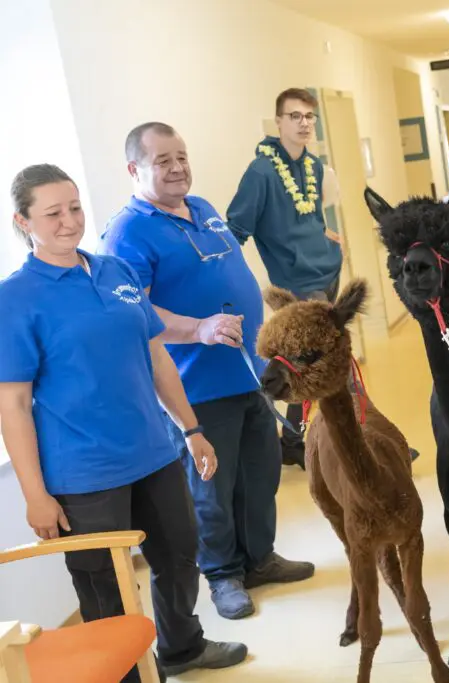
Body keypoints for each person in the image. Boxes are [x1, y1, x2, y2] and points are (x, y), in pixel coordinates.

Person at [0, 164, 247, 680]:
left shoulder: (116, 272)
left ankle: (182, 648)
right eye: (53, 213)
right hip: (83, 473)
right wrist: (34, 495)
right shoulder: (15, 298)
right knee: (105, 591)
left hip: (155, 452)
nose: (69, 221)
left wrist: (191, 428)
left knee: (180, 557)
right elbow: (14, 405)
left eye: (74, 207)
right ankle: (124, 674)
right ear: (25, 222)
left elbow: (157, 356)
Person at [99, 122, 316, 621]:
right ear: (134, 170)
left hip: (248, 373)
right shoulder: (128, 231)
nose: (178, 168)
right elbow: (136, 313)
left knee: (260, 476)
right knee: (210, 489)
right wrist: (198, 328)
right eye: (162, 161)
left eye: (182, 156)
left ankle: (259, 559)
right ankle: (222, 576)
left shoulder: (203, 210)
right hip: (195, 386)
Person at [225, 88, 342, 468]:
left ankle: (293, 441)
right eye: (295, 116)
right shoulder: (261, 172)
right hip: (297, 284)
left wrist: (323, 237)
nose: (304, 123)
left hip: (328, 271)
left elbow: (309, 215)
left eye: (309, 116)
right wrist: (229, 281)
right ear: (278, 122)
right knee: (331, 365)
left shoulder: (314, 166)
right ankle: (354, 441)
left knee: (309, 368)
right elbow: (236, 230)